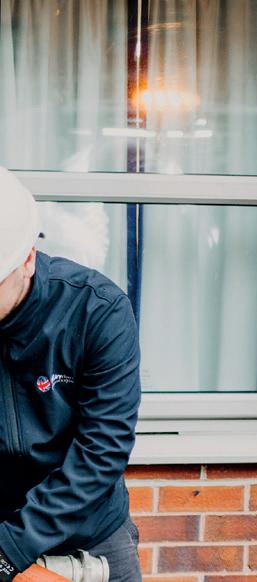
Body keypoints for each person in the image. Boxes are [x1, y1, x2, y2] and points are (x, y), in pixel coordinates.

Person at [0, 168, 142, 582]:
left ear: (27, 259)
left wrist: (8, 550)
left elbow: (102, 450)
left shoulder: (97, 311)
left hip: (91, 534)